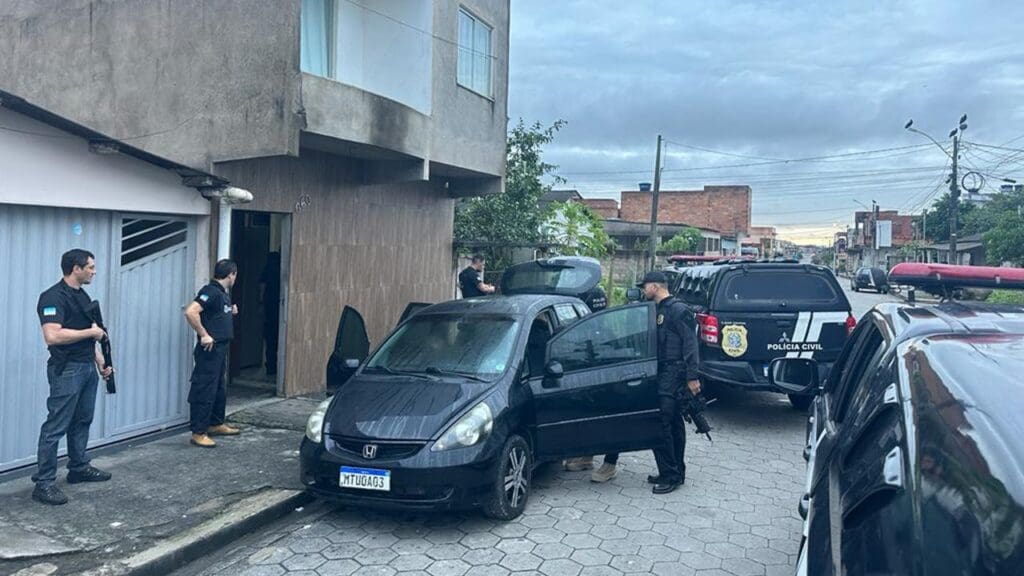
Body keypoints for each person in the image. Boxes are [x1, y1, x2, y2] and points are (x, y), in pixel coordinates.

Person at [32, 249, 115, 505]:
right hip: (67, 369)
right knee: (56, 426)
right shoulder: (52, 297)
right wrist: (91, 334)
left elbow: (88, 333)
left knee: (82, 420)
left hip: (87, 367)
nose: (94, 271)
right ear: (75, 268)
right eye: (89, 267)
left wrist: (101, 362)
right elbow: (53, 336)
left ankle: (78, 468)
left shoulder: (82, 295)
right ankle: (44, 484)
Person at [641, 271, 701, 494]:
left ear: (655, 286)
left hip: (674, 373)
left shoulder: (678, 309)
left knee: (662, 424)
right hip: (662, 372)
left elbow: (691, 344)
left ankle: (671, 475)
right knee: (673, 423)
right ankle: (675, 471)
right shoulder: (656, 309)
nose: (643, 290)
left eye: (645, 286)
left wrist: (692, 377)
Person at [184, 259, 241, 448]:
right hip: (210, 349)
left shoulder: (221, 294)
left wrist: (229, 312)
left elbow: (214, 314)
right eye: (235, 275)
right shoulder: (210, 291)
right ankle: (198, 432)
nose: (235, 278)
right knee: (205, 387)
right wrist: (204, 335)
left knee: (218, 387)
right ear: (231, 274)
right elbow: (191, 312)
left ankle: (215, 423)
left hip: (221, 348)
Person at [260, 252, 281, 376]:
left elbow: (261, 286)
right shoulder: (280, 267)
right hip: (275, 306)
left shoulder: (268, 268)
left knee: (270, 338)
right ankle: (274, 367)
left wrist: (261, 303)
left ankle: (271, 367)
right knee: (275, 337)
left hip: (270, 306)